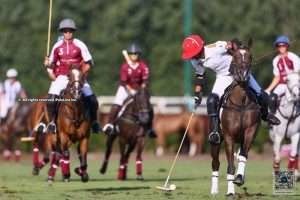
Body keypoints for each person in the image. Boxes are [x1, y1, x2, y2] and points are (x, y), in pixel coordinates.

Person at [181, 35, 280, 144]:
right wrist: (197, 93)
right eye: (192, 55)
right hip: (223, 77)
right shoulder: (195, 61)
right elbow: (200, 76)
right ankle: (215, 132)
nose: (193, 57)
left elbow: (234, 42)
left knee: (261, 94)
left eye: (194, 54)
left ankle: (266, 116)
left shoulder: (215, 48)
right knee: (211, 100)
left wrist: (241, 58)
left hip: (239, 72)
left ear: (200, 48)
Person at [44, 18, 100, 134]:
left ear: (73, 32)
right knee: (50, 99)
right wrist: (47, 63)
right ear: (62, 32)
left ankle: (94, 122)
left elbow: (89, 63)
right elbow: (52, 64)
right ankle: (52, 123)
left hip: (77, 76)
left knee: (92, 99)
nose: (68, 33)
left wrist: (82, 75)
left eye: (70, 31)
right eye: (65, 31)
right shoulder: (57, 45)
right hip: (62, 76)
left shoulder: (80, 44)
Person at [102, 43, 156, 138]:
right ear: (129, 55)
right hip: (125, 88)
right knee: (117, 103)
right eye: (131, 54)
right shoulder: (125, 67)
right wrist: (130, 90)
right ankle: (110, 124)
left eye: (136, 54)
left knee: (147, 105)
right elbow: (124, 81)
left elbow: (145, 80)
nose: (134, 55)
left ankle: (150, 128)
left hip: (139, 89)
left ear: (139, 55)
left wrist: (142, 88)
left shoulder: (143, 66)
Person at [265, 35, 300, 115]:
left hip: (294, 83)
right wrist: (268, 90)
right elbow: (277, 77)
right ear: (277, 47)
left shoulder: (294, 57)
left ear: (287, 46)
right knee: (272, 98)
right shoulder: (275, 60)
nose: (281, 47)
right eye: (279, 46)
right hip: (282, 85)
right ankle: (272, 119)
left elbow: (298, 73)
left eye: (283, 45)